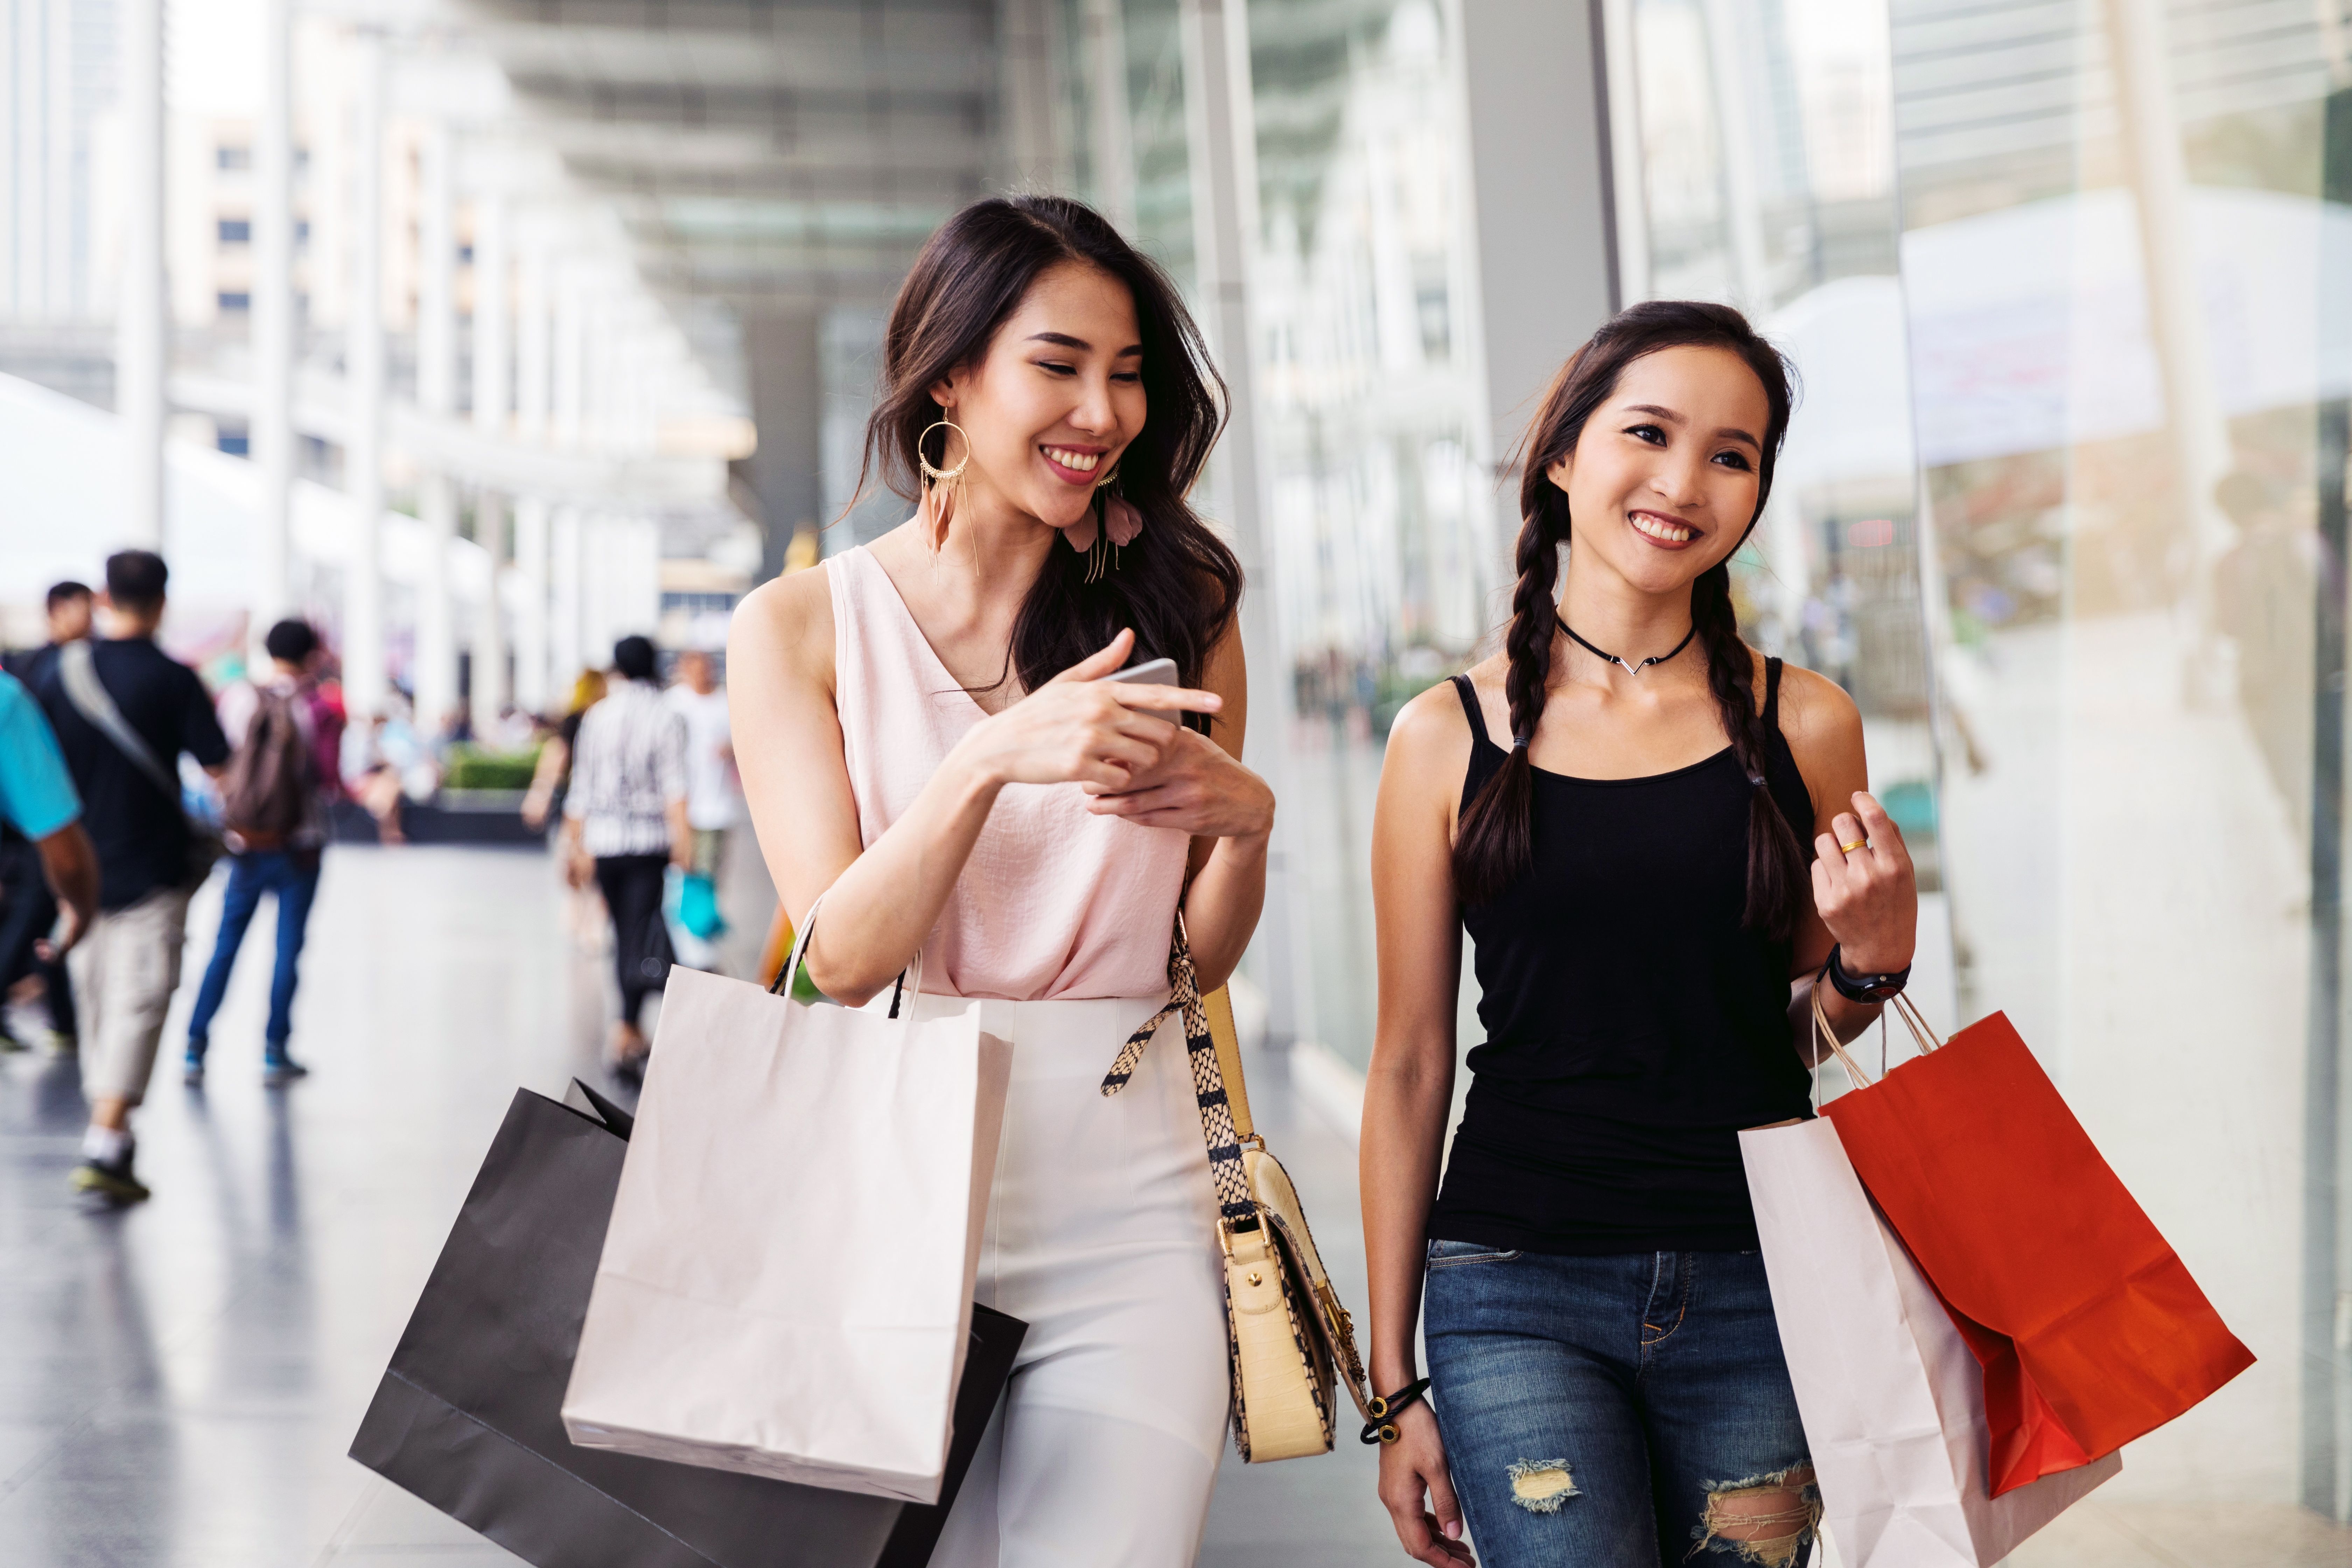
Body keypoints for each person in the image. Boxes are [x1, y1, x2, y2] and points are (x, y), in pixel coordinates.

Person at [728, 195, 1274, 1563]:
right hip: (886, 1186)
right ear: (950, 377)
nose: (1104, 407)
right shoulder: (800, 625)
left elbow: (1194, 962)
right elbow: (839, 956)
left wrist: (1247, 829)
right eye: (1061, 363)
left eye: (1132, 372)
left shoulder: (1185, 610)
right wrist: (983, 766)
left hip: (1132, 1198)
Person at [1362, 302, 1921, 1568]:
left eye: (1730, 454)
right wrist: (1391, 1383)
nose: (1682, 481)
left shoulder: (1805, 723)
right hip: (1515, 1286)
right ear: (1561, 456)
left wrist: (1866, 961)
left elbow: (1779, 1033)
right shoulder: (1443, 736)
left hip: (1756, 1281)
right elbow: (1404, 1065)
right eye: (1647, 434)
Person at [31, 550, 232, 1203]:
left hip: (74, 870)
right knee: (139, 999)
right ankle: (107, 1137)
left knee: (97, 997)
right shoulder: (175, 679)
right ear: (163, 601)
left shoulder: (55, 672)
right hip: (154, 864)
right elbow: (219, 767)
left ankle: (108, 1133)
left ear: (103, 595)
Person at [182, 618, 345, 1086]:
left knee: (225, 946)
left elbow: (213, 771)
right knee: (287, 949)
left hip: (246, 845)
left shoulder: (240, 697)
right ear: (312, 655)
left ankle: (195, 1043)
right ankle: (275, 1049)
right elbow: (332, 780)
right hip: (302, 846)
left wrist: (236, 823)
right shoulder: (316, 707)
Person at [561, 636, 688, 1078]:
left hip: (604, 843)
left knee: (623, 932)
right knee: (640, 931)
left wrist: (576, 846)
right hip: (649, 844)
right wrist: (685, 842)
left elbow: (582, 788)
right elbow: (675, 789)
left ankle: (628, 1025)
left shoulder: (597, 715)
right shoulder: (667, 716)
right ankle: (627, 1027)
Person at [0, 579, 96, 1049]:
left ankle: (64, 1019)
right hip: (39, 819)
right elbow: (68, 856)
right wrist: (80, 905)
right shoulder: (11, 695)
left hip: (28, 821)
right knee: (42, 911)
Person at [663, 649, 739, 901]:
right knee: (681, 869)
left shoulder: (724, 702)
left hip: (717, 806)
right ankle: (685, 926)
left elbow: (744, 741)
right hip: (682, 805)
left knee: (710, 872)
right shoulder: (674, 702)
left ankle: (701, 925)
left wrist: (730, 749)